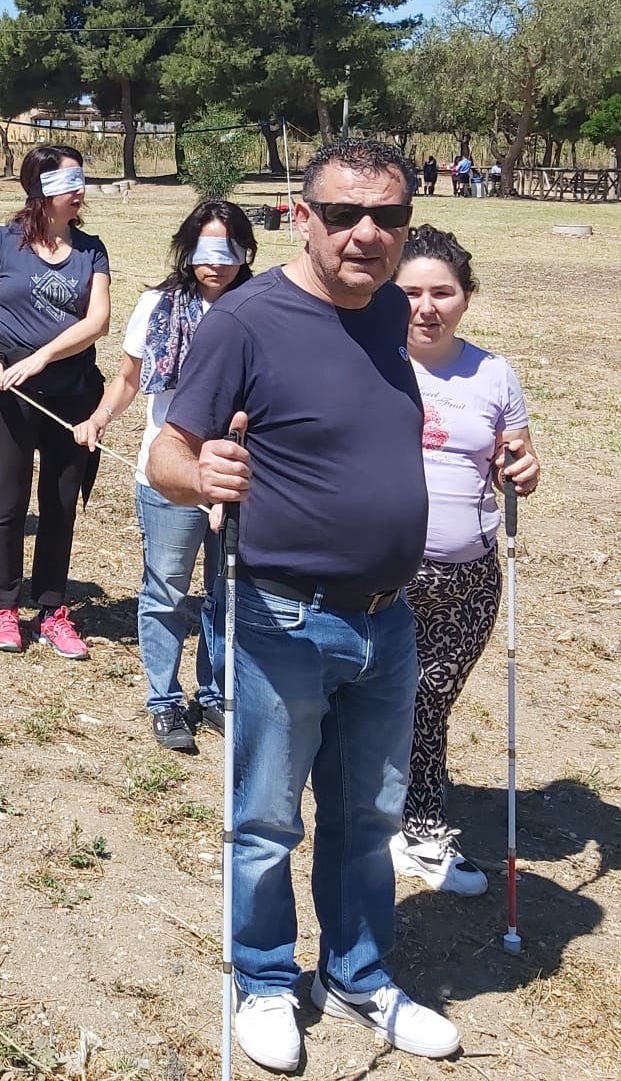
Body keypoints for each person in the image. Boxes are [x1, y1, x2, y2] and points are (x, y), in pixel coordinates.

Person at [151, 138, 461, 1067]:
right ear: (302, 215)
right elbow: (168, 451)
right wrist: (198, 471)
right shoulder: (246, 321)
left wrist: (509, 446)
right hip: (282, 616)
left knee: (370, 816)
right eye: (344, 215)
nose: (367, 235)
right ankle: (264, 979)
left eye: (389, 217)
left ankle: (362, 976)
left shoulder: (389, 313)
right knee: (267, 819)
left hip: (387, 616)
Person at [392, 225, 540, 897]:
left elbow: (516, 459)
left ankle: (412, 824)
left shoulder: (494, 373)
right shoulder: (370, 361)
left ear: (466, 297)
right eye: (411, 291)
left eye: (441, 292)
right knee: (387, 701)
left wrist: (526, 470)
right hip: (382, 573)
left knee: (431, 701)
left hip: (470, 576)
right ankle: (395, 825)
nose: (426, 306)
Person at [75, 199, 255, 751]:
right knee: (167, 591)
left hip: (241, 480)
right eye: (205, 250)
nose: (217, 263)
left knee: (230, 594)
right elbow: (128, 379)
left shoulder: (264, 307)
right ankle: (164, 700)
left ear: (247, 253)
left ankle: (216, 693)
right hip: (170, 478)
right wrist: (99, 418)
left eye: (229, 251)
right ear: (186, 250)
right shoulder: (157, 305)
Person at [0, 144, 111, 659]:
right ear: (40, 189)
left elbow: (98, 322)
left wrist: (41, 359)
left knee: (60, 504)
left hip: (72, 394)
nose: (79, 190)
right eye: (68, 182)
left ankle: (53, 611)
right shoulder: (0, 243)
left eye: (81, 180)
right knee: (10, 501)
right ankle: (3, 608)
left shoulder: (93, 250)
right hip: (8, 394)